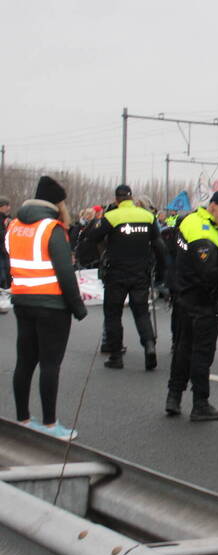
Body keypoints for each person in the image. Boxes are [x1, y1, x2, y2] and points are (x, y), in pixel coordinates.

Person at [7, 176, 88, 440]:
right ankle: (51, 425)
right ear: (57, 203)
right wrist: (78, 307)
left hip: (22, 301)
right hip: (52, 305)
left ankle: (22, 419)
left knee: (25, 362)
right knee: (50, 364)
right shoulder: (52, 228)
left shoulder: (15, 225)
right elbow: (65, 272)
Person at [165, 190, 218, 421]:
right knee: (202, 353)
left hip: (184, 296)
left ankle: (173, 397)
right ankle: (200, 403)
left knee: (183, 349)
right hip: (203, 300)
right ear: (214, 206)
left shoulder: (190, 220)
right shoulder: (204, 231)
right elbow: (208, 272)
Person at [87, 184, 166, 370]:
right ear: (131, 198)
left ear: (117, 200)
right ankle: (149, 345)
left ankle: (116, 356)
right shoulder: (147, 216)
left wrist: (101, 253)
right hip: (141, 273)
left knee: (113, 314)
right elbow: (159, 245)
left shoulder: (111, 217)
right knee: (141, 312)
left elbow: (92, 237)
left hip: (116, 274)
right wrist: (162, 270)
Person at [0, 196, 11, 315]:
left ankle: (3, 302)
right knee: (2, 276)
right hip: (1, 251)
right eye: (6, 205)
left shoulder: (7, 219)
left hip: (5, 251)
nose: (8, 208)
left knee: (5, 276)